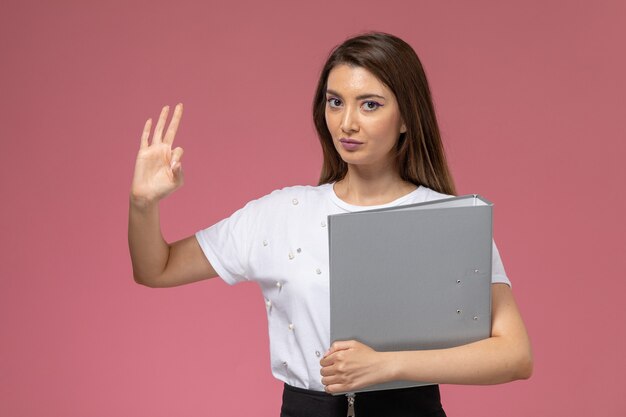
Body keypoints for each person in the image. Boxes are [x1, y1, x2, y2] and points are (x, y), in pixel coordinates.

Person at [128, 32, 533, 417]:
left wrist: (386, 366)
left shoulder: (451, 220)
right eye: (335, 102)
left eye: (370, 104)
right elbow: (155, 268)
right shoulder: (280, 213)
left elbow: (514, 355)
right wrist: (142, 204)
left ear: (407, 117)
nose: (347, 123)